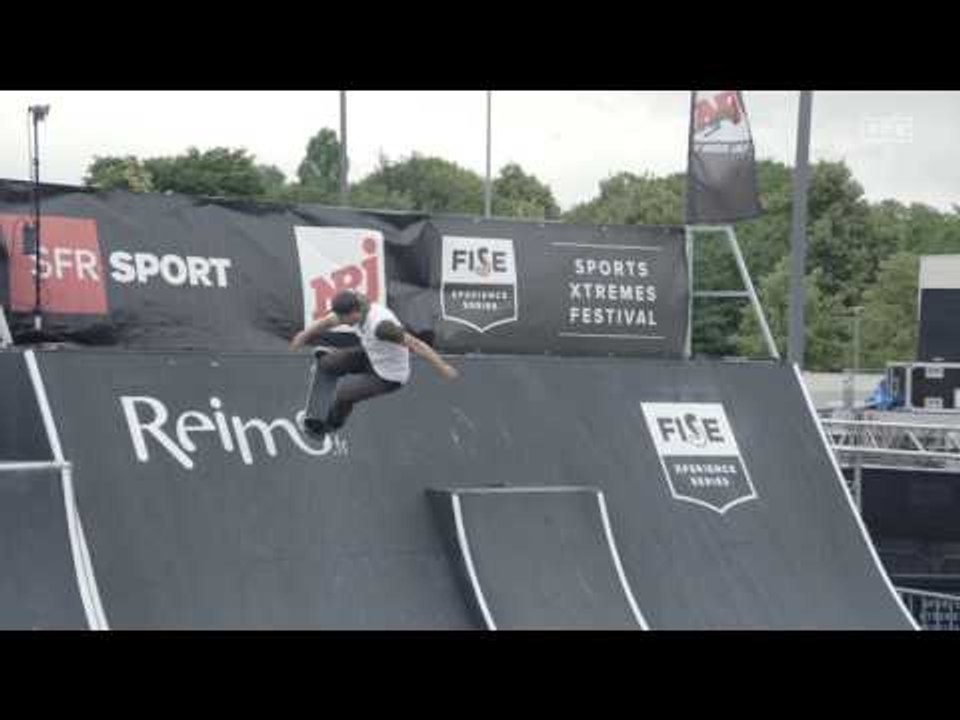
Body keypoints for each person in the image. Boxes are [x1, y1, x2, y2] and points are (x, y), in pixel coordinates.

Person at [290, 290, 459, 438]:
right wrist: (304, 335)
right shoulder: (354, 308)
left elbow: (417, 345)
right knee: (327, 364)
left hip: (388, 376)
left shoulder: (383, 327)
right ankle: (332, 362)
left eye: (344, 319)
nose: (341, 322)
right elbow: (328, 321)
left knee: (344, 394)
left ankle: (329, 426)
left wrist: (442, 367)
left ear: (355, 312)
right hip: (371, 355)